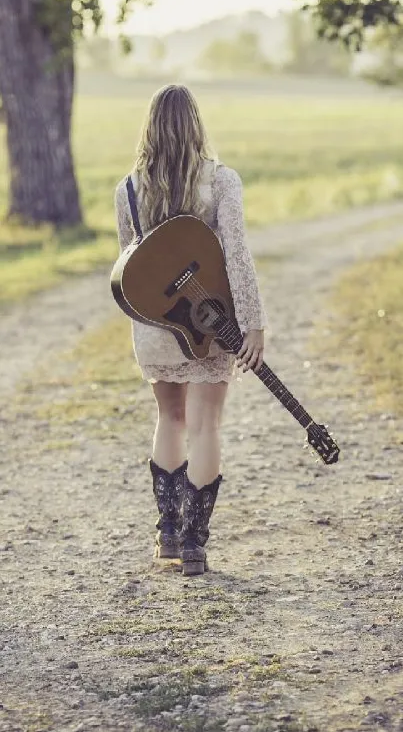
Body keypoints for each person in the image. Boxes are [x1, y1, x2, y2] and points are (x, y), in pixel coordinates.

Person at [114, 84, 268, 576]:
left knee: (171, 420)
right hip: (211, 321)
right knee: (205, 425)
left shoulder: (130, 190)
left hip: (157, 325)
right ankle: (194, 544)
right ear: (196, 125)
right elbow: (237, 256)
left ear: (151, 128)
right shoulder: (221, 181)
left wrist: (150, 327)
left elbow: (131, 270)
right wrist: (253, 323)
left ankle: (167, 539)